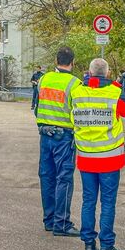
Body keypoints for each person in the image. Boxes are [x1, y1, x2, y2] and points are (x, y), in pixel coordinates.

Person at [70, 58, 125, 250]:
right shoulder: (114, 92)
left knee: (88, 200)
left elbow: (72, 118)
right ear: (107, 73)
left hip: (86, 156)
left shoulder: (77, 92)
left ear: (88, 72)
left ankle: (89, 245)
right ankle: (107, 247)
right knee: (107, 202)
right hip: (109, 157)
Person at [34, 46, 81, 237]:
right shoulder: (75, 84)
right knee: (64, 178)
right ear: (73, 62)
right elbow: (77, 111)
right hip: (64, 137)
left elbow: (37, 106)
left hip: (45, 135)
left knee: (47, 176)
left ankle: (49, 219)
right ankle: (61, 223)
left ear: (56, 60)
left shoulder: (44, 79)